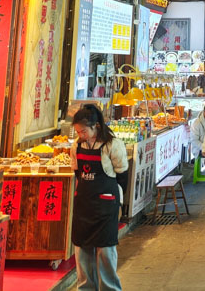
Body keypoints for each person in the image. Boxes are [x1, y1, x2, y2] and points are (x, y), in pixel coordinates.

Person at [70, 105, 130, 291]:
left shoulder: (112, 145)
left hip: (106, 205)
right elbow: (77, 172)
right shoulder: (77, 146)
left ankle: (109, 288)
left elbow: (122, 176)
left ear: (95, 126)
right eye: (78, 132)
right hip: (84, 204)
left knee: (105, 250)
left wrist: (116, 202)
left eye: (84, 131)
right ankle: (85, 287)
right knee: (82, 249)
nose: (81, 135)